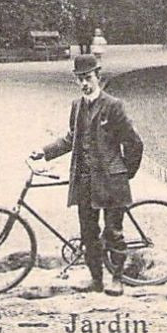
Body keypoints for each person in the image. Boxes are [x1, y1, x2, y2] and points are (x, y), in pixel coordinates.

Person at [30, 52, 143, 295]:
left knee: (114, 232)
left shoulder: (113, 106)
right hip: (85, 181)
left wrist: (124, 172)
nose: (84, 83)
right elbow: (72, 138)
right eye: (79, 78)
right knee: (88, 234)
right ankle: (96, 279)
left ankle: (117, 278)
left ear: (98, 77)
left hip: (112, 181)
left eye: (88, 77)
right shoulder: (77, 106)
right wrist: (43, 151)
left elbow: (134, 143)